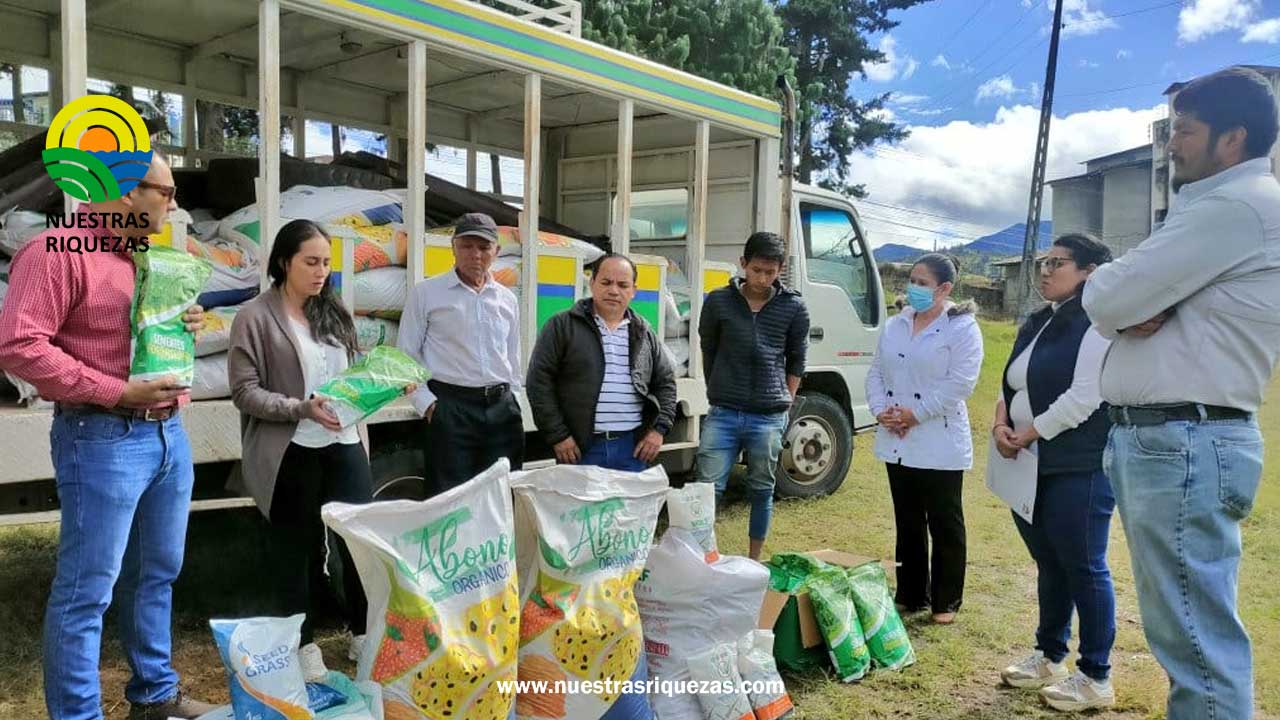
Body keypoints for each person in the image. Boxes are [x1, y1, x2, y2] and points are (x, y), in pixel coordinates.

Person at [1082, 67, 1280, 720]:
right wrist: (1135, 292)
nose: (1172, 145)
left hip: (1185, 442)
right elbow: (1123, 296)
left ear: (1233, 139)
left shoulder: (1236, 206)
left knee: (1196, 645)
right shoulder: (1216, 212)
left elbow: (1107, 294)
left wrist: (1127, 292)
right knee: (1190, 636)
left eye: (1185, 132)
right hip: (1178, 439)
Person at [0, 154, 215, 720]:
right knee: (86, 593)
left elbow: (143, 332)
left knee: (157, 575)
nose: (173, 206)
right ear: (123, 192)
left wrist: (183, 322)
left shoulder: (148, 258)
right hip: (101, 437)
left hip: (169, 435)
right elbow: (21, 345)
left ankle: (154, 697)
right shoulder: (55, 253)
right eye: (165, 193)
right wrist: (115, 392)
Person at [228, 219, 399, 675]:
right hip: (293, 450)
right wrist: (302, 408)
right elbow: (245, 392)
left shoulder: (334, 311)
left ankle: (363, 635)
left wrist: (383, 385)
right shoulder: (255, 317)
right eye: (311, 262)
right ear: (284, 262)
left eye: (325, 262)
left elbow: (354, 371)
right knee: (295, 550)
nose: (321, 271)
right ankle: (301, 645)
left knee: (359, 545)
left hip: (344, 443)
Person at [993, 235, 1116, 711]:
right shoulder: (1039, 320)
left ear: (1089, 271)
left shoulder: (1097, 322)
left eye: (1058, 263)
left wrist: (1027, 433)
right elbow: (1011, 382)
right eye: (1044, 262)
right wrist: (1002, 422)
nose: (1045, 270)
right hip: (1030, 462)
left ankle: (1096, 676)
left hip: (1077, 463)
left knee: (1084, 564)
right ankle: (1049, 655)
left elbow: (1086, 396)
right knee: (1050, 561)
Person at [865, 253, 982, 625]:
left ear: (945, 289)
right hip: (897, 436)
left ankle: (946, 602)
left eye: (922, 283)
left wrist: (916, 414)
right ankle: (912, 593)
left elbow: (960, 384)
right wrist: (881, 410)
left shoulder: (961, 328)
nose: (913, 288)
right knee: (907, 520)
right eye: (911, 280)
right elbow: (876, 372)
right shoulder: (896, 323)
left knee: (944, 521)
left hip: (938, 437)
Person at [696, 231, 810, 561]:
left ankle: (753, 560)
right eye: (756, 270)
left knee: (762, 488)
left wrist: (786, 401)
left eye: (770, 272)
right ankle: (705, 558)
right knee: (707, 489)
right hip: (724, 411)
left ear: (781, 269)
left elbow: (797, 359)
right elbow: (708, 349)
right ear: (743, 263)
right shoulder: (717, 301)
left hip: (768, 414)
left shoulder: (794, 307)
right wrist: (715, 389)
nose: (762, 279)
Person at [398, 212, 524, 492]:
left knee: (501, 495)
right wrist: (428, 405)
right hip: (450, 407)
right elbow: (406, 355)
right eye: (467, 246)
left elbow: (512, 355)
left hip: (501, 410)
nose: (475, 254)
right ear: (453, 247)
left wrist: (513, 397)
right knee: (449, 499)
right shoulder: (427, 294)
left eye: (483, 247)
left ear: (497, 252)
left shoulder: (507, 299)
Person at [526, 253, 677, 471]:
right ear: (592, 283)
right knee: (580, 506)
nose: (614, 290)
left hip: (632, 449)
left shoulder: (643, 332)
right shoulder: (562, 326)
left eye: (623, 285)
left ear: (634, 291)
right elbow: (539, 383)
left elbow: (665, 383)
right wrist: (558, 435)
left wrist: (659, 430)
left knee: (629, 506)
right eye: (606, 282)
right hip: (580, 449)